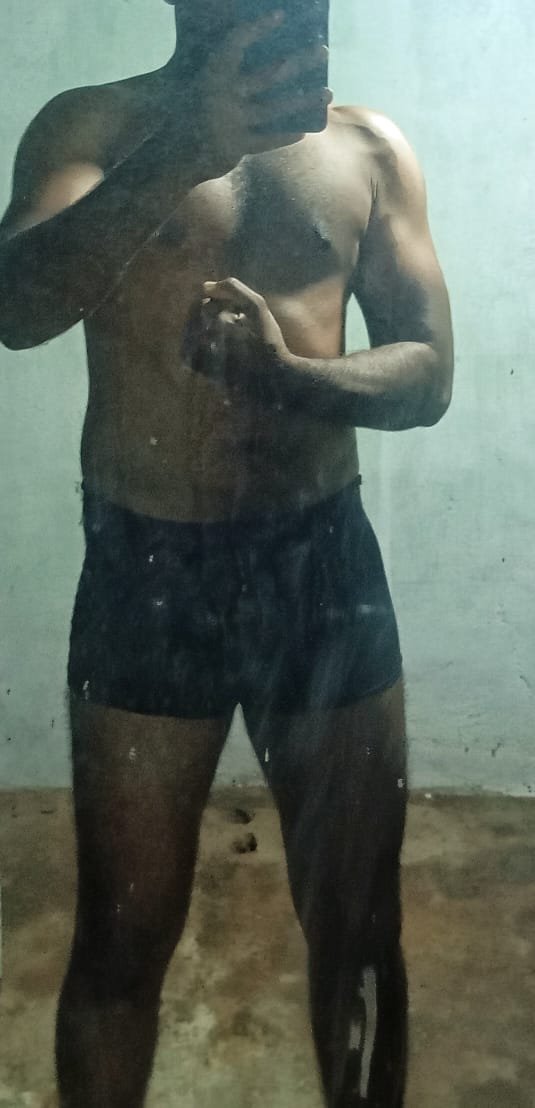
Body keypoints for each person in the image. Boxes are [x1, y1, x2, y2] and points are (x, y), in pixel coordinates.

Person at [0, 1, 453, 1104]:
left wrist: (289, 377)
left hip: (319, 563)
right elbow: (16, 306)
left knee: (358, 927)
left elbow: (427, 371)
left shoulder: (368, 150)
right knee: (122, 938)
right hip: (149, 568)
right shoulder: (91, 128)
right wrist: (185, 149)